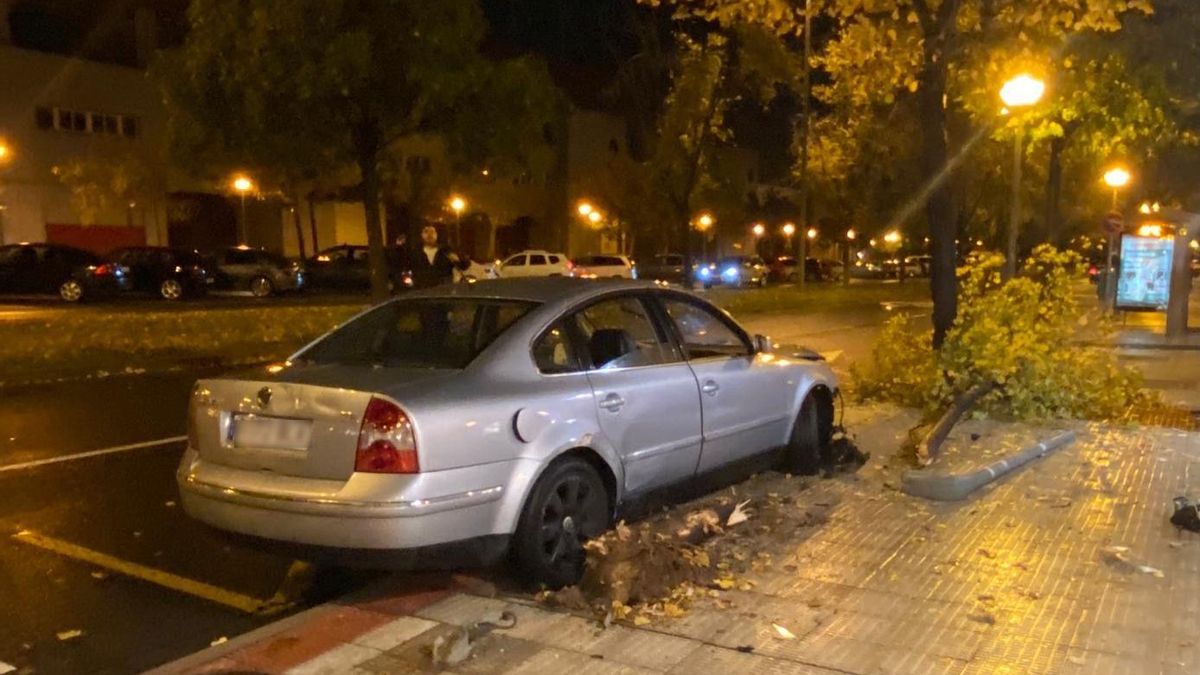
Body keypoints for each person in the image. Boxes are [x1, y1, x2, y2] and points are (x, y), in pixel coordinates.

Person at [408, 225, 467, 289]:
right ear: (421, 235)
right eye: (426, 231)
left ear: (437, 234)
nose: (429, 234)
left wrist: (458, 260)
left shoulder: (445, 251)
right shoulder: (415, 253)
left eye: (432, 231)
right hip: (422, 293)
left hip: (443, 292)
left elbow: (464, 266)